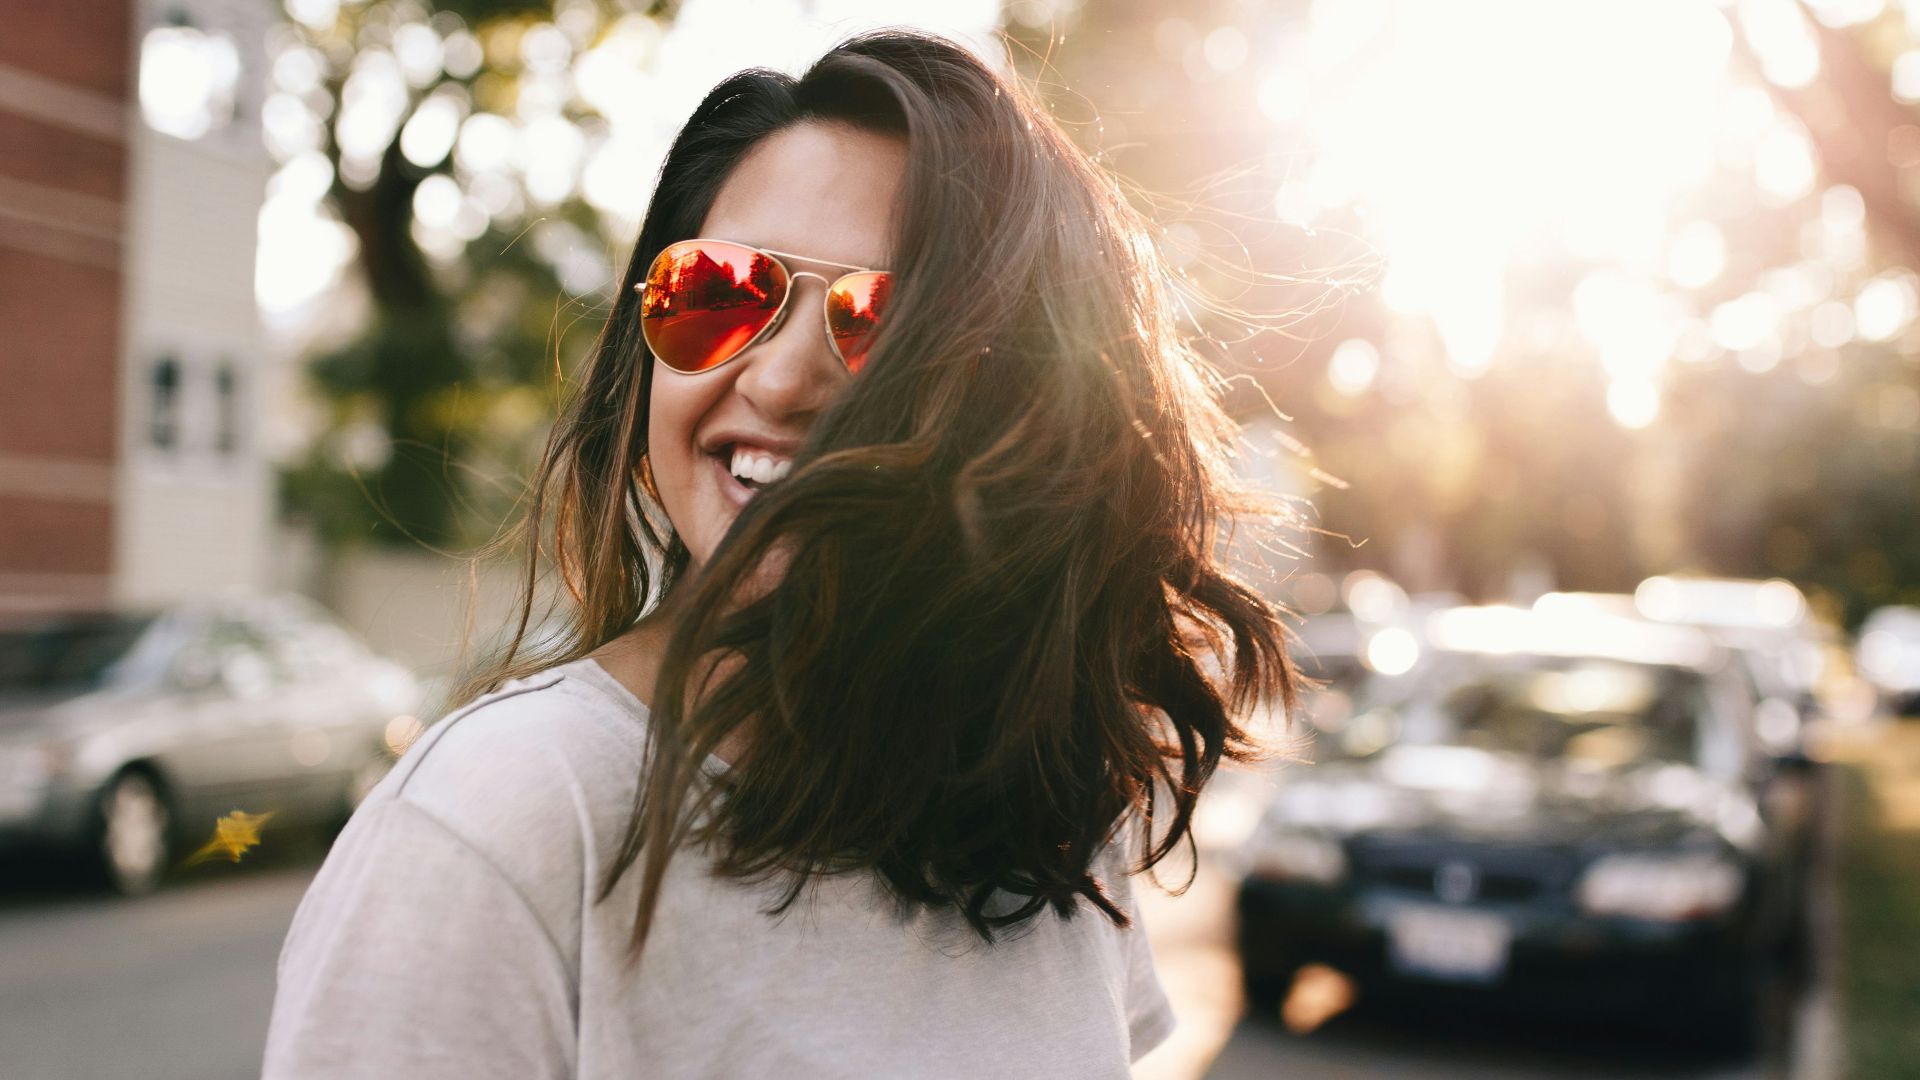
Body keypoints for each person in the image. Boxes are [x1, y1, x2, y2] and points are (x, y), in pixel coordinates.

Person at [263, 29, 1298, 1079]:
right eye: (720, 293)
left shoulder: (1045, 815)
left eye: (888, 325)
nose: (780, 379)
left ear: (1030, 408)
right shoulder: (497, 820)